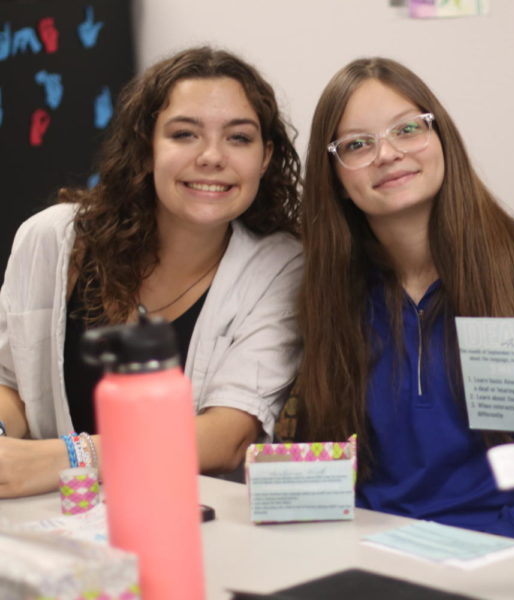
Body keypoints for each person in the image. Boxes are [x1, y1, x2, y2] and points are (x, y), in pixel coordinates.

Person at [292, 57, 514, 542]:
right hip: (369, 556)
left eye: (408, 129)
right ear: (336, 180)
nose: (388, 154)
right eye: (357, 144)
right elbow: (330, 464)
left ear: (442, 139)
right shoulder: (326, 290)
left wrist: (483, 552)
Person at [0, 46, 304, 497]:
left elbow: (228, 435)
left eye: (239, 138)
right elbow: (11, 383)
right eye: (185, 135)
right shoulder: (51, 238)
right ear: (145, 148)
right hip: (52, 524)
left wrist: (67, 458)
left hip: (191, 525)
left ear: (264, 157)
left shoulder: (281, 265)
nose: (212, 157)